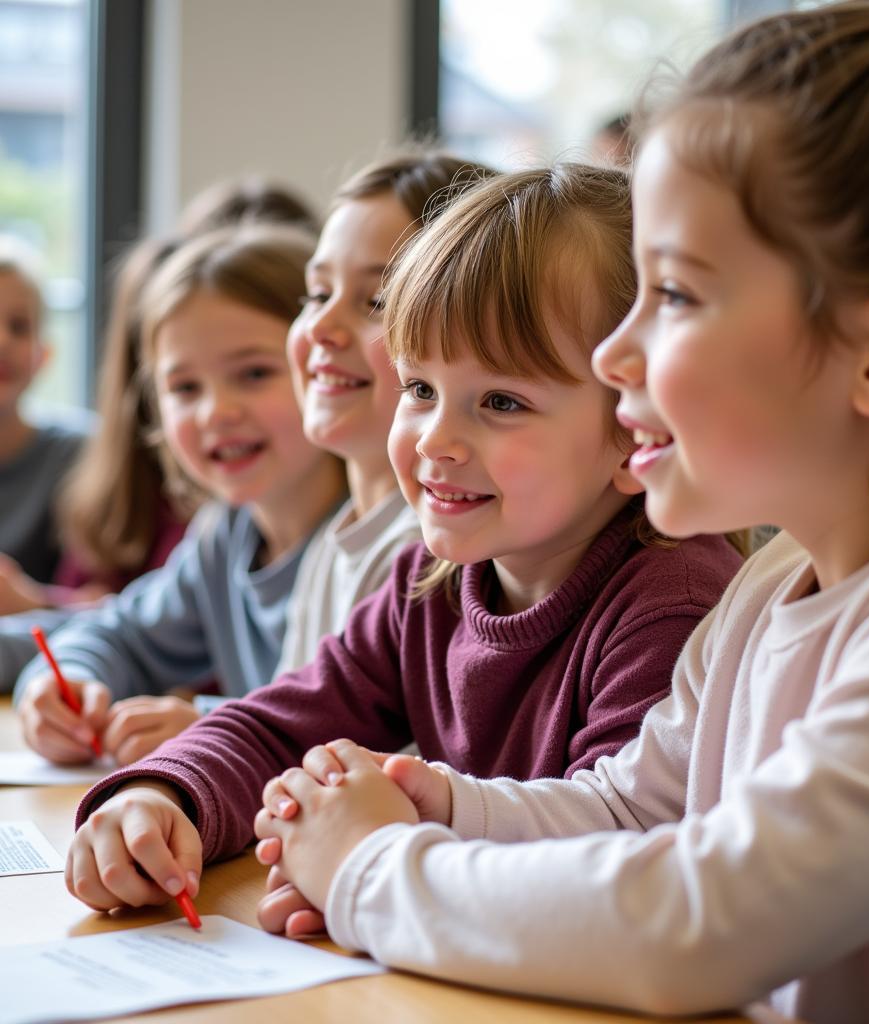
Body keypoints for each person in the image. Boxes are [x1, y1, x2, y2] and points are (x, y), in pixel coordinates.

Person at [244, 1, 869, 1021]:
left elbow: (697, 918)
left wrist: (374, 867)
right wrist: (442, 800)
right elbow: (632, 807)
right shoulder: (769, 586)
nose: (615, 356)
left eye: (675, 296)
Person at [62, 164, 743, 933]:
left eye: (501, 401)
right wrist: (161, 796)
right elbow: (278, 724)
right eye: (419, 388)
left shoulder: (670, 600)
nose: (436, 441)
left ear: (636, 428)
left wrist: (385, 844)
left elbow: (624, 843)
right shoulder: (432, 579)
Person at [15, 222, 347, 765]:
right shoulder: (226, 534)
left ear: (328, 370)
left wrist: (206, 725)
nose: (216, 411)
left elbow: (374, 733)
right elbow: (117, 633)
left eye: (255, 373)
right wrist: (61, 686)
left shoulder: (373, 544)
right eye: (184, 388)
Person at [276, 150, 494, 674]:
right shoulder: (335, 543)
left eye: (374, 302)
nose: (320, 327)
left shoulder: (437, 554)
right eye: (318, 293)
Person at [0, 237, 85, 591]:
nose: (1, 342)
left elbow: (115, 606)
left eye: (19, 326)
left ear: (43, 355)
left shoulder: (81, 456)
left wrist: (33, 602)